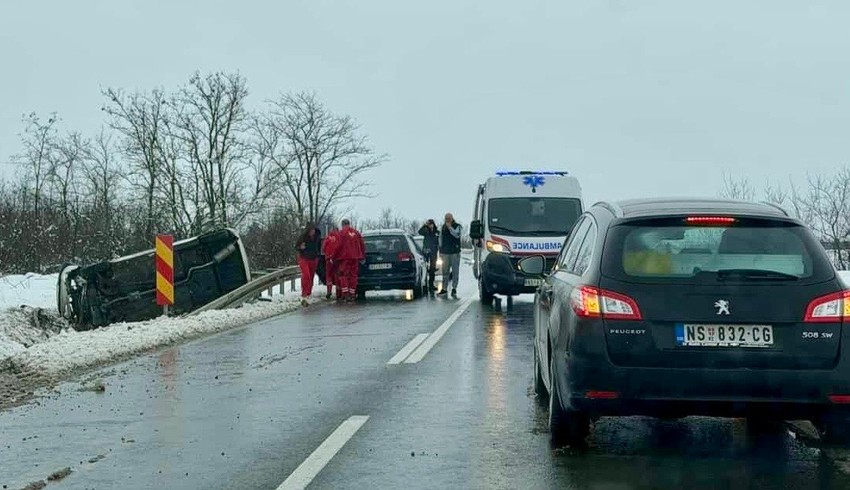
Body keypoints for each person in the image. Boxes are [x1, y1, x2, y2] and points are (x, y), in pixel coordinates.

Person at [333, 219, 366, 302]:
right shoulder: (356, 233)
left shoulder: (340, 233)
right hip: (355, 257)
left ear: (342, 225)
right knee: (353, 276)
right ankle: (352, 294)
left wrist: (333, 257)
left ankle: (345, 293)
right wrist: (362, 255)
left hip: (344, 258)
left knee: (343, 275)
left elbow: (337, 246)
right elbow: (362, 245)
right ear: (349, 224)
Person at [295, 222, 322, 306]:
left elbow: (319, 247)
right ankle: (304, 294)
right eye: (310, 230)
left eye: (313, 230)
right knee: (306, 275)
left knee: (311, 276)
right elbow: (296, 246)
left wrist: (318, 255)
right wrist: (301, 247)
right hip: (304, 258)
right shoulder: (303, 237)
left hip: (313, 258)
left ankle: (308, 293)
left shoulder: (318, 236)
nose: (312, 232)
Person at [437, 213, 462, 298]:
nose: (447, 219)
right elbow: (440, 238)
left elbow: (456, 235)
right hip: (445, 253)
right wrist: (440, 250)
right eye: (446, 218)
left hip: (455, 253)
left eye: (449, 218)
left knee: (455, 272)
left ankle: (454, 289)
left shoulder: (457, 226)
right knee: (445, 272)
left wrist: (450, 227)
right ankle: (444, 289)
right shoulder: (443, 227)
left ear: (452, 218)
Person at [418, 219, 440, 295]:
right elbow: (420, 231)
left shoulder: (436, 232)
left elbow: (439, 241)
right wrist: (425, 225)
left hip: (434, 252)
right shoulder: (426, 231)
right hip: (427, 251)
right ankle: (425, 284)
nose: (430, 225)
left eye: (431, 224)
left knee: (432, 269)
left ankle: (431, 284)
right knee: (425, 267)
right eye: (429, 224)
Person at [321, 225, 340, 300]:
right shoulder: (339, 238)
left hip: (329, 259)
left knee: (329, 276)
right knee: (337, 275)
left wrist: (327, 253)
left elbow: (323, 249)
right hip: (337, 259)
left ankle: (329, 291)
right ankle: (338, 293)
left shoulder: (328, 237)